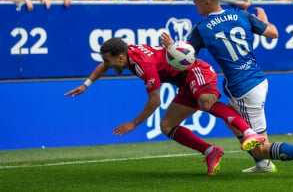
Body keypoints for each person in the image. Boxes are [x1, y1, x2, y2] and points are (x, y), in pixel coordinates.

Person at [160, 0, 293, 178]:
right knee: (231, 119)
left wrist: (172, 47)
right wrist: (264, 21)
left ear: (207, 2)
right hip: (257, 79)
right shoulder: (242, 15)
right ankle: (262, 164)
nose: (193, 1)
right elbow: (274, 33)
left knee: (260, 146)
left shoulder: (202, 29)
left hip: (245, 89)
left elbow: (185, 57)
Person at [64, 38, 266, 176]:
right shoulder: (126, 54)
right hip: (184, 82)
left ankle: (249, 132)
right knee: (167, 126)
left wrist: (135, 123)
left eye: (108, 59)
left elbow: (155, 101)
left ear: (120, 58)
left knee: (206, 103)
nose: (105, 63)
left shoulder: (144, 65)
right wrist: (86, 84)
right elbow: (104, 66)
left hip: (195, 71)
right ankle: (210, 151)